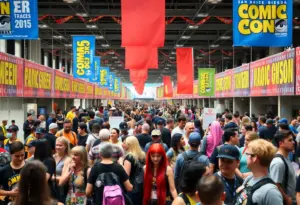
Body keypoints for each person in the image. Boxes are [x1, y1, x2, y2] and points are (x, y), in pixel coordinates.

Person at [235, 139, 283, 205]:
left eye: (247, 154)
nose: (245, 157)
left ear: (254, 158)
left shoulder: (271, 192)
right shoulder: (250, 178)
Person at [270, 130, 296, 205]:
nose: (293, 142)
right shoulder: (278, 162)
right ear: (281, 143)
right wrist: (286, 198)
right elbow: (275, 184)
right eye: (290, 140)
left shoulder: (286, 157)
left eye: (293, 139)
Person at [122, 136, 146, 205]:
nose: (123, 145)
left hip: (132, 187)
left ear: (129, 145)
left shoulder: (129, 157)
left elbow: (126, 176)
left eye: (125, 143)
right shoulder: (142, 155)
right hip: (142, 185)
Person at [53, 137, 71, 203]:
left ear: (66, 146)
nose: (58, 147)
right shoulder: (52, 157)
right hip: (51, 188)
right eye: (57, 145)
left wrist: (51, 177)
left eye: (60, 145)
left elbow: (64, 178)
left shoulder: (68, 159)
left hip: (61, 190)